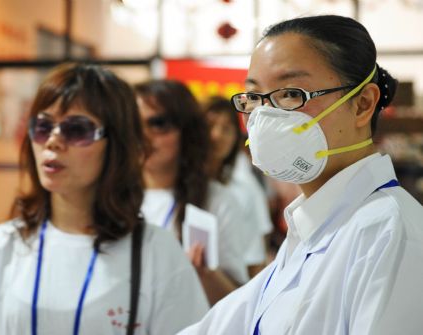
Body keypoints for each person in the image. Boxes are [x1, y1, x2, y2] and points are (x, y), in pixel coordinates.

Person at [178, 15, 423, 335]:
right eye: (254, 98)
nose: (265, 117)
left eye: (291, 94)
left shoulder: (390, 232)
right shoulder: (311, 226)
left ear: (362, 104)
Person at [0, 63, 209, 335]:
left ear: (117, 145)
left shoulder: (156, 253)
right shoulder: (1, 247)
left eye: (76, 130)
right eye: (43, 126)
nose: (53, 141)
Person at [134, 80, 249, 305]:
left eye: (157, 124)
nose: (144, 135)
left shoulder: (216, 201)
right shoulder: (111, 197)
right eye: (134, 125)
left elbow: (237, 301)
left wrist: (205, 272)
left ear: (186, 130)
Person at [203, 96, 273, 277]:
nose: (216, 135)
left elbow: (255, 260)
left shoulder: (244, 191)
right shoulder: (182, 187)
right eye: (209, 126)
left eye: (226, 129)